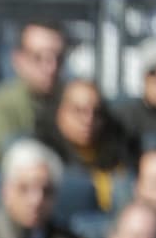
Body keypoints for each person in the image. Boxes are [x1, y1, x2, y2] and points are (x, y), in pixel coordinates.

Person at [35, 79, 137, 213]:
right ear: (60, 112)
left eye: (96, 112)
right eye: (79, 110)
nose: (88, 120)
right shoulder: (42, 155)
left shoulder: (121, 152)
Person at [0, 21, 66, 154]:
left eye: (59, 58)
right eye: (38, 57)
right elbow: (4, 154)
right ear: (18, 59)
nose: (51, 67)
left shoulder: (72, 101)